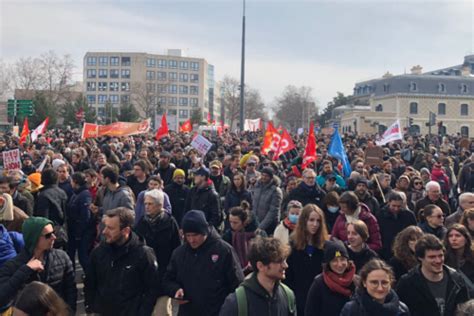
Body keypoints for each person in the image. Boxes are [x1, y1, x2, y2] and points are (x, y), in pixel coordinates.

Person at [163, 210, 244, 316]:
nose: (191, 240)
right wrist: (175, 290)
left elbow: (237, 284)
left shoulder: (224, 251)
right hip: (188, 311)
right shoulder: (179, 254)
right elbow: (168, 280)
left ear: (204, 231)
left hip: (217, 311)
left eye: (195, 235)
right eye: (188, 235)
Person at [85, 207, 159, 316]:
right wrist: (90, 308)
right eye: (105, 226)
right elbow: (90, 284)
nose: (104, 231)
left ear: (126, 231)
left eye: (110, 228)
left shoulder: (143, 254)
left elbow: (152, 289)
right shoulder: (98, 253)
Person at [0, 217, 77, 312]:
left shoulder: (62, 257)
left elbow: (70, 290)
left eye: (54, 233)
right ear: (34, 238)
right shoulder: (12, 266)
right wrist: (26, 270)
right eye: (48, 235)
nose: (54, 237)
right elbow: (2, 297)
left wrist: (69, 313)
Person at [397, 234, 473, 316]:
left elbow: (465, 311)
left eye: (440, 256)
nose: (438, 260)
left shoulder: (457, 280)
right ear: (420, 258)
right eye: (432, 257)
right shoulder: (407, 283)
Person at [219, 236, 296, 316]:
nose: (285, 266)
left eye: (284, 260)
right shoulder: (236, 302)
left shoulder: (288, 296)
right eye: (279, 261)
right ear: (260, 266)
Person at [135, 189, 181, 316]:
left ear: (160, 205)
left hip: (164, 274)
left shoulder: (170, 222)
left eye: (150, 204)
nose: (147, 207)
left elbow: (177, 249)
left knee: (162, 312)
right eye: (145, 204)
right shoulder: (142, 223)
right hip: (145, 276)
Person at [285, 204, 328, 315]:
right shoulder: (293, 246)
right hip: (298, 300)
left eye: (318, 221)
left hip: (319, 301)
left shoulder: (325, 247)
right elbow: (288, 277)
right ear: (304, 221)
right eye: (311, 220)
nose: (315, 224)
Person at [305, 240, 358, 316]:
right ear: (328, 263)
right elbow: (310, 312)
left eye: (342, 259)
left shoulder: (356, 282)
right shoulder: (319, 283)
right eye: (334, 260)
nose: (339, 264)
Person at [341, 259, 409, 316]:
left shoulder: (402, 310)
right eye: (374, 282)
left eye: (384, 283)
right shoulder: (351, 310)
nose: (380, 288)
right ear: (364, 283)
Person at [222, 201, 265, 274]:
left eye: (235, 222)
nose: (232, 225)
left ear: (244, 222)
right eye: (230, 222)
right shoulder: (228, 235)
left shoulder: (258, 234)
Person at [66, 172, 94, 272]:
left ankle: (91, 277)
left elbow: (85, 216)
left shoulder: (85, 195)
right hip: (74, 231)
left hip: (82, 233)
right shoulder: (76, 194)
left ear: (75, 182)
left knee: (83, 257)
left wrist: (79, 233)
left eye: (72, 181)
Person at [376, 192, 417, 260]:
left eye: (399, 206)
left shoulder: (409, 215)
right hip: (387, 252)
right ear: (389, 203)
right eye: (393, 206)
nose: (396, 209)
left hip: (405, 252)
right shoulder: (380, 215)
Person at [251, 167, 283, 235]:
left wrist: (261, 226)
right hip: (256, 222)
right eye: (263, 175)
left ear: (271, 177)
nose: (264, 177)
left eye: (266, 176)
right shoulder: (257, 186)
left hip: (269, 225)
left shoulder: (275, 191)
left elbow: (273, 211)